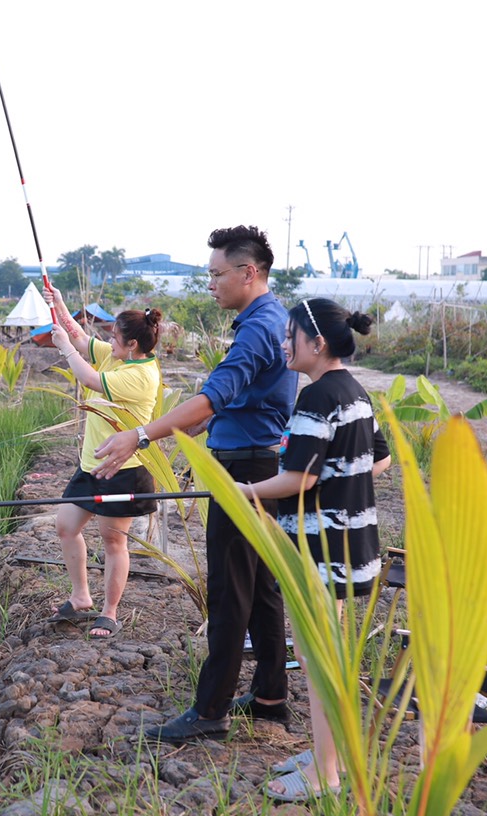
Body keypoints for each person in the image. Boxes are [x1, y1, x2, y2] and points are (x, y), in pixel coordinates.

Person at [93, 225, 298, 742]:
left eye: (215, 274)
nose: (210, 283)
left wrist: (140, 435)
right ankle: (272, 695)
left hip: (243, 471)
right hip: (259, 461)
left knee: (232, 590)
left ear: (248, 273)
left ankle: (211, 711)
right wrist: (194, 427)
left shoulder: (257, 327)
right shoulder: (273, 319)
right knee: (263, 586)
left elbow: (213, 396)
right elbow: (241, 400)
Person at [231, 298, 391, 802]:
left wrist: (242, 491)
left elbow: (300, 477)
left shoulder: (318, 397)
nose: (283, 345)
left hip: (320, 551)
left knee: (319, 659)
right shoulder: (357, 392)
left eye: (290, 336)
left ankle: (326, 772)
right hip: (352, 543)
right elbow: (378, 462)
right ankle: (331, 752)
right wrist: (342, 480)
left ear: (316, 343)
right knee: (329, 654)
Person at [44, 288, 163, 639]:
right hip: (90, 465)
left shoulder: (140, 376)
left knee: (113, 542)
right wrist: (60, 304)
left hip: (123, 470)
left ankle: (109, 612)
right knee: (66, 526)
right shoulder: (119, 356)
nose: (108, 342)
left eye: (114, 338)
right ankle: (81, 596)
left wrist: (63, 347)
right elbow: (81, 337)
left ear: (133, 346)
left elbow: (89, 378)